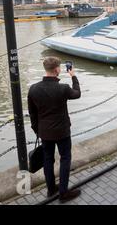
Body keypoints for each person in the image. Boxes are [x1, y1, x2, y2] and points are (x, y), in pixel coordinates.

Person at [27, 56, 82, 203]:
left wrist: (38, 130)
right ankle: (63, 193)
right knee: (65, 159)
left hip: (45, 132)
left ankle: (51, 189)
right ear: (57, 69)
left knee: (48, 160)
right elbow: (77, 93)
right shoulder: (63, 88)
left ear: (46, 69)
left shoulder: (33, 89)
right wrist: (73, 76)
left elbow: (32, 114)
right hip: (62, 131)